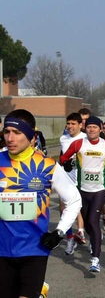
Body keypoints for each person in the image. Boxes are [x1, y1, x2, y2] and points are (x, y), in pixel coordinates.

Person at [0, 109, 81, 297]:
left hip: (34, 248)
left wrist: (59, 233)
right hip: (2, 248)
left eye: (17, 133)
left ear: (31, 136)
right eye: (7, 131)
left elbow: (74, 200)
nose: (10, 138)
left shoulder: (47, 165)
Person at [59, 116, 105, 273]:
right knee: (87, 224)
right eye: (89, 127)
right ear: (85, 128)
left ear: (100, 129)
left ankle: (95, 259)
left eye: (95, 127)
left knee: (93, 220)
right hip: (83, 189)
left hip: (100, 189)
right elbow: (63, 157)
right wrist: (66, 163)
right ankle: (96, 236)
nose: (92, 129)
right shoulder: (78, 143)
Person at [59, 112, 88, 254]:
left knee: (79, 207)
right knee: (63, 208)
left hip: (84, 179)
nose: (70, 126)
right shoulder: (63, 139)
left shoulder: (86, 138)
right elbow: (62, 157)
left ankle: (82, 230)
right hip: (66, 178)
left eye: (73, 124)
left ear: (80, 125)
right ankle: (70, 238)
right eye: (68, 123)